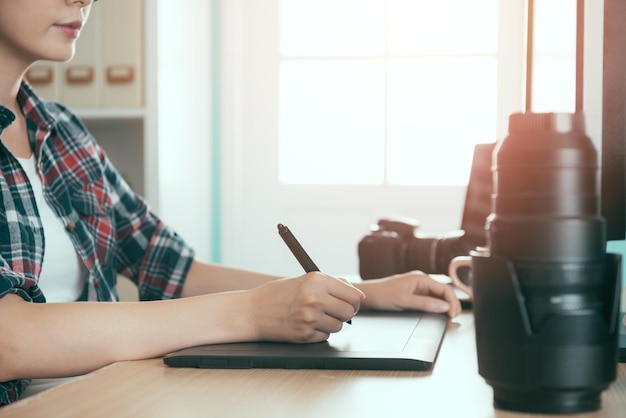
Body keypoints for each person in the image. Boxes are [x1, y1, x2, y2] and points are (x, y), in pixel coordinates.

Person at [0, 0, 461, 406]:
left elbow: (175, 270)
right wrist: (252, 312)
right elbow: (10, 339)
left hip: (100, 399)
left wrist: (363, 292)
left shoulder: (62, 131)